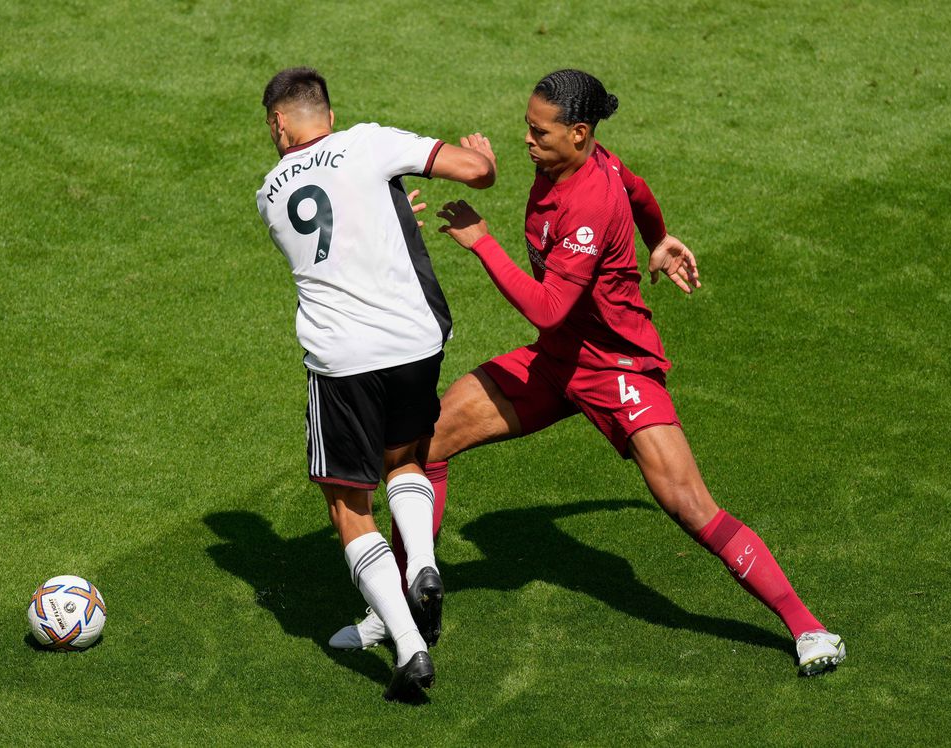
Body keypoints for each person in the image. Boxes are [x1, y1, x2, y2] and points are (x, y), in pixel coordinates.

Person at [330, 69, 846, 677]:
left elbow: (547, 305)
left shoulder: (589, 203)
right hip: (555, 361)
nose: (528, 140)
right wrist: (658, 238)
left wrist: (482, 242)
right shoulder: (579, 164)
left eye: (539, 132)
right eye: (526, 126)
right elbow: (643, 191)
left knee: (688, 504)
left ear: (579, 133)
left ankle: (809, 629)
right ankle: (394, 607)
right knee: (428, 441)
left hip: (616, 368)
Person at [255, 66, 496, 701]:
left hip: (343, 359)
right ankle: (422, 564)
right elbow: (476, 172)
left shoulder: (270, 193)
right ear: (327, 115)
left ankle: (410, 649)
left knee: (347, 506)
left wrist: (384, 214)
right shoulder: (369, 141)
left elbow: (331, 248)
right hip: (416, 341)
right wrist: (483, 158)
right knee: (408, 457)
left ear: (280, 125)